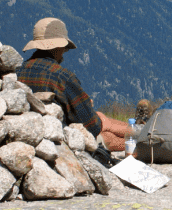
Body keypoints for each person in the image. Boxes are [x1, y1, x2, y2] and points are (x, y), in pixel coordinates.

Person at [16, 17, 132, 152]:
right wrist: (88, 107)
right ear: (58, 46)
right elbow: (92, 126)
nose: (65, 52)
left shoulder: (18, 71)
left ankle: (142, 132)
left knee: (101, 120)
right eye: (64, 48)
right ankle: (144, 140)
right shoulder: (62, 76)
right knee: (104, 131)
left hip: (28, 133)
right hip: (60, 138)